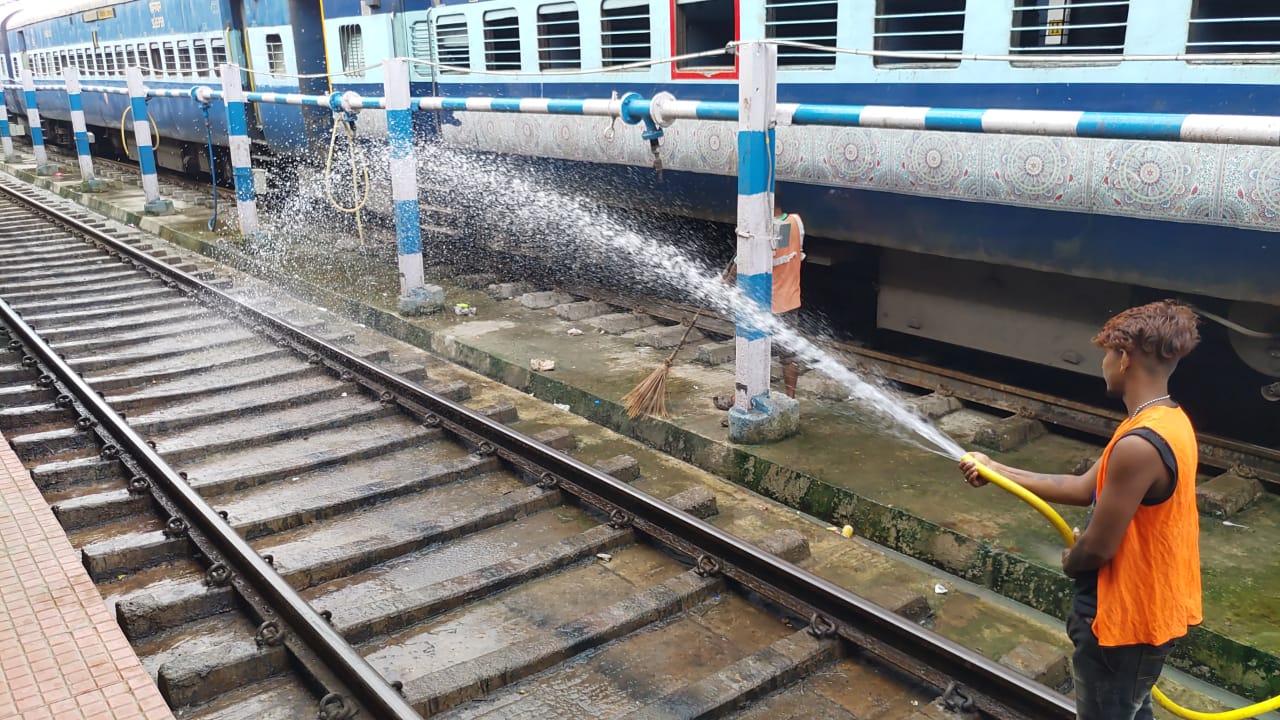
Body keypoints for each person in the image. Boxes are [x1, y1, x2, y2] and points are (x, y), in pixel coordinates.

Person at [959, 299, 1202, 720]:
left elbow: (1099, 549)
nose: (1104, 363)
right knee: (1131, 708)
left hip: (1122, 618)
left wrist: (1073, 560)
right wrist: (996, 469)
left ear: (1124, 359)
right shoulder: (1166, 421)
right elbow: (1083, 486)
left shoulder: (1138, 445)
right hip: (1149, 609)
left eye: (1107, 354)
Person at [723, 196, 805, 398]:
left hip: (763, 305)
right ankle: (790, 399)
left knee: (750, 351)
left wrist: (726, 280)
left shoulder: (762, 234)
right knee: (789, 355)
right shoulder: (796, 222)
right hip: (790, 300)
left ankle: (740, 399)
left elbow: (737, 270)